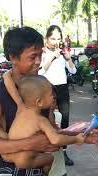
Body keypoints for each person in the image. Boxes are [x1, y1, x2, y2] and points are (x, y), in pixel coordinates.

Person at [0, 27, 98, 176]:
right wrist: (29, 143)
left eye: (40, 55)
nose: (38, 62)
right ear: (13, 57)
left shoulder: (43, 89)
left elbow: (49, 134)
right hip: (4, 173)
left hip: (36, 172)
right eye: (33, 57)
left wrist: (82, 135)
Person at [0, 73, 85, 175]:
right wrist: (76, 139)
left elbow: (12, 91)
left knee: (2, 132)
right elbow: (56, 139)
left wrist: (7, 76)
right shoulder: (41, 121)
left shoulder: (21, 108)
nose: (53, 98)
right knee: (49, 158)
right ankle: (44, 175)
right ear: (39, 102)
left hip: (7, 155)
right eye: (51, 95)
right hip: (24, 160)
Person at [39, 25, 76, 166]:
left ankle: (63, 152)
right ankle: (45, 151)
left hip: (62, 90)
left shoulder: (62, 53)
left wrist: (68, 58)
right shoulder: (41, 54)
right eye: (53, 38)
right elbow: (40, 72)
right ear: (46, 38)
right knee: (47, 121)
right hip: (46, 90)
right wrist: (51, 58)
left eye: (58, 38)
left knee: (64, 122)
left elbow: (73, 71)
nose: (55, 41)